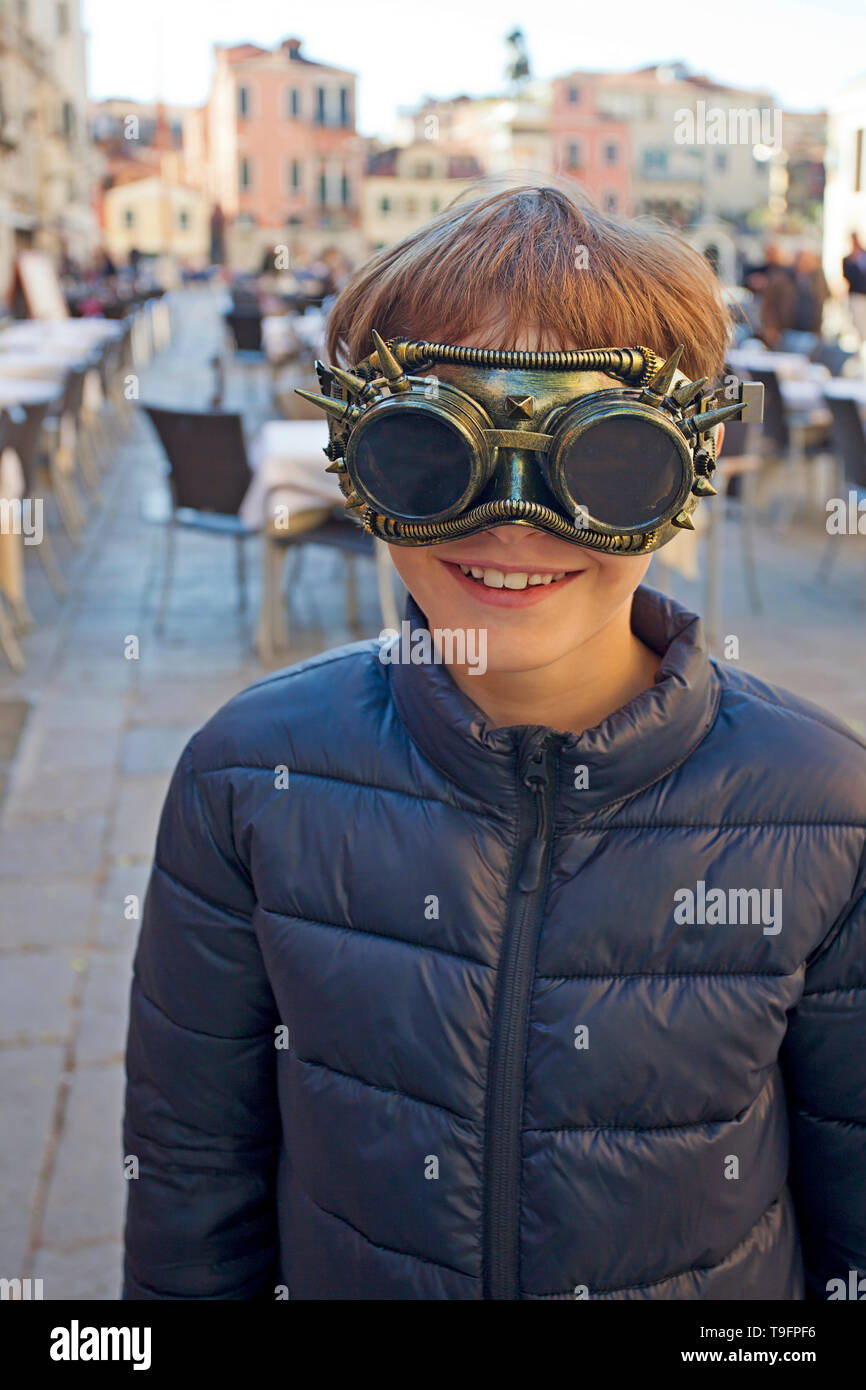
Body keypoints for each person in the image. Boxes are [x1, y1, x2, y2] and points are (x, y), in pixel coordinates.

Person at [122, 182, 866, 1301]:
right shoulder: (247, 782)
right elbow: (190, 1187)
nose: (512, 520)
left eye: (604, 461)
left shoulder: (824, 809)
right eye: (431, 449)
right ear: (353, 456)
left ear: (687, 474)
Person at [757, 242, 796, 348]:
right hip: (780, 330)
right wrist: (770, 326)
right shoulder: (775, 275)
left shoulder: (789, 274)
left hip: (791, 328)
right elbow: (769, 303)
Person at [792, 246, 829, 335]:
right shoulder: (785, 278)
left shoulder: (817, 279)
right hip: (789, 329)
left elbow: (824, 296)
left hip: (811, 329)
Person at [842, 231, 866, 343]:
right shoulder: (848, 259)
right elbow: (847, 276)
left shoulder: (864, 255)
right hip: (856, 295)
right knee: (858, 323)